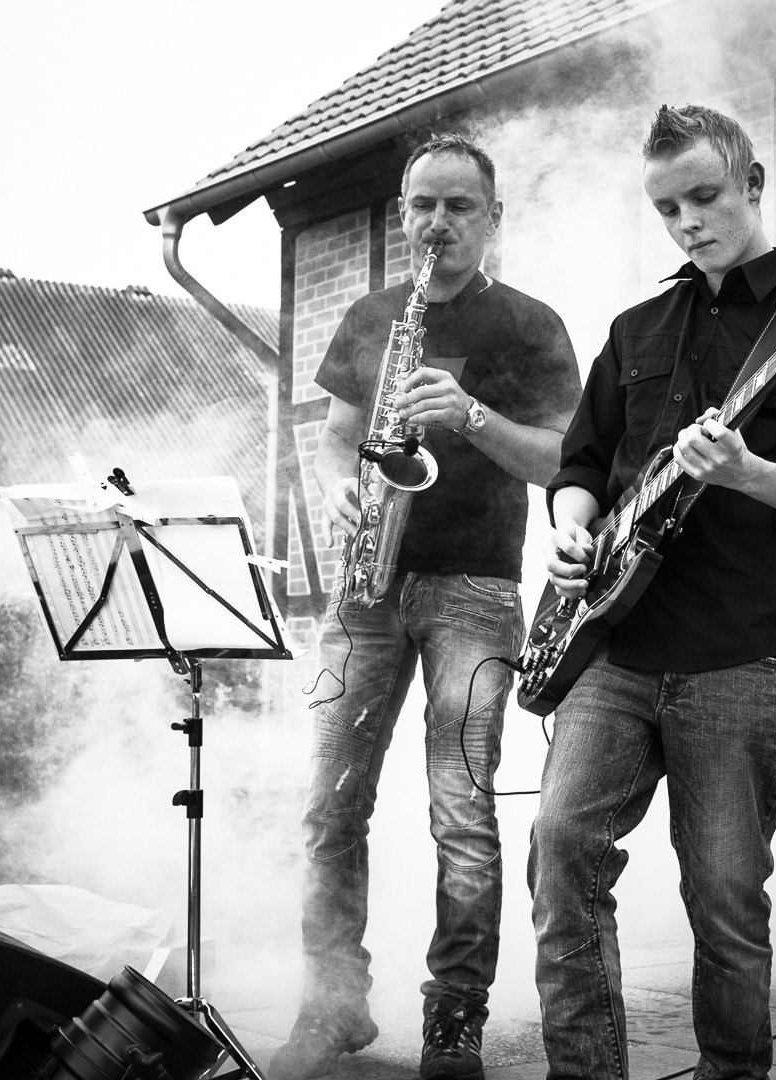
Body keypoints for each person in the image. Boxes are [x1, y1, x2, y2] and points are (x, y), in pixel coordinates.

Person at [528, 105, 776, 1080]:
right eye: (667, 206)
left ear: (753, 184)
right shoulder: (636, 328)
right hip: (614, 643)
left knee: (724, 901)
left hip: (742, 653)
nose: (686, 221)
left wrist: (745, 472)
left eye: (705, 196)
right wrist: (569, 530)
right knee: (561, 845)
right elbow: (581, 466)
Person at [269, 132, 582, 1080]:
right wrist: (339, 488)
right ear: (403, 214)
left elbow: (565, 462)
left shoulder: (529, 324)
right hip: (366, 588)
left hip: (474, 592)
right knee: (329, 808)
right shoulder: (372, 316)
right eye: (422, 205)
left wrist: (472, 416)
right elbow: (337, 440)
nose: (436, 222)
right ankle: (333, 1006)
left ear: (493, 217)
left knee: (462, 814)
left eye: (458, 205)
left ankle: (454, 1020)